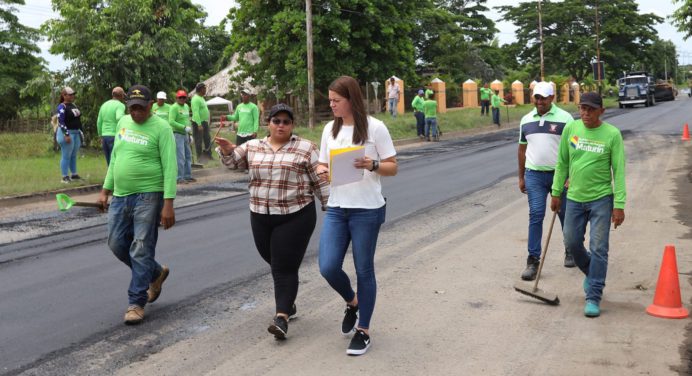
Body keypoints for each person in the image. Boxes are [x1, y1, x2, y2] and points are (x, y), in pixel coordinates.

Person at [214, 103, 329, 340]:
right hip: (260, 215)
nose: (281, 125)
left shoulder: (306, 148)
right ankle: (288, 299)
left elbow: (320, 181)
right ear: (269, 123)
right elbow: (233, 162)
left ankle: (282, 317)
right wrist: (227, 150)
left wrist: (331, 208)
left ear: (292, 125)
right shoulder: (253, 146)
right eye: (277, 121)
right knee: (274, 260)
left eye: (286, 122)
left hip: (296, 215)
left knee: (283, 266)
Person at [316, 75, 398, 356]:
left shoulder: (375, 128)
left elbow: (392, 167)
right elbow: (321, 165)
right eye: (330, 100)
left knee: (364, 269)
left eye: (336, 101)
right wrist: (323, 171)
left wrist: (372, 164)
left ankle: (363, 331)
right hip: (338, 207)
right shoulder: (330, 129)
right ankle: (353, 302)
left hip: (367, 209)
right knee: (327, 266)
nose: (332, 105)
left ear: (351, 100)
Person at [97, 84, 177, 325]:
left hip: (149, 195)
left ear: (150, 105)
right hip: (121, 195)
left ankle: (136, 302)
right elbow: (116, 160)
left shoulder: (162, 128)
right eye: (132, 108)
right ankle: (154, 273)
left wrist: (168, 203)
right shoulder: (123, 122)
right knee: (116, 243)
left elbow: (171, 166)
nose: (136, 113)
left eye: (141, 108)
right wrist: (105, 190)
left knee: (141, 247)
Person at [550, 92, 626, 318]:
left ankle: (593, 295)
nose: (585, 113)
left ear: (601, 111)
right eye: (582, 108)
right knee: (571, 242)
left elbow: (619, 171)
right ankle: (593, 274)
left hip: (601, 199)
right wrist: (555, 192)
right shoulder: (571, 129)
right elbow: (562, 161)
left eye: (591, 109)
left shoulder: (612, 134)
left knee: (599, 248)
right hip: (573, 197)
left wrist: (619, 204)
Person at [517, 81, 575, 281]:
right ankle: (532, 260)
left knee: (565, 214)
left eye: (543, 98)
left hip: (559, 175)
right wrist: (521, 176)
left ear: (552, 98)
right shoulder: (526, 120)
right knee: (536, 214)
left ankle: (571, 249)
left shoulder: (566, 119)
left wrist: (570, 175)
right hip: (534, 175)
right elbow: (522, 149)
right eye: (536, 97)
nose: (539, 101)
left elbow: (574, 149)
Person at [56, 86, 83, 183]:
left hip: (76, 133)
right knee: (66, 155)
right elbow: (61, 121)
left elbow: (77, 119)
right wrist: (66, 134)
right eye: (70, 94)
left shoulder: (73, 105)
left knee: (73, 155)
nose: (72, 96)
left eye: (73, 94)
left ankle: (74, 174)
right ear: (64, 95)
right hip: (67, 133)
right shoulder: (61, 107)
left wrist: (81, 131)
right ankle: (64, 176)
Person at [168, 90, 195, 184]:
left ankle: (188, 175)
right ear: (176, 98)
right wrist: (183, 127)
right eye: (180, 97)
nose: (182, 99)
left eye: (184, 97)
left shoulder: (187, 106)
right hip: (177, 134)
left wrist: (190, 134)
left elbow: (187, 120)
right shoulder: (174, 108)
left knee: (188, 155)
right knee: (180, 156)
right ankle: (179, 177)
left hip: (186, 134)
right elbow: (171, 121)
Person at [96, 87, 126, 166]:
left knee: (109, 160)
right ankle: (115, 177)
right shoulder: (120, 105)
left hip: (105, 136)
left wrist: (100, 135)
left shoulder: (104, 105)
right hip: (115, 135)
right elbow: (119, 118)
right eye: (123, 95)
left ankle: (110, 177)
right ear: (121, 96)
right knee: (116, 159)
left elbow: (99, 121)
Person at [191, 82, 212, 160]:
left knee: (207, 139)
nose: (205, 90)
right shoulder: (195, 99)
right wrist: (199, 124)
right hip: (198, 122)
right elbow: (195, 112)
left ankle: (209, 155)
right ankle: (199, 157)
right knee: (198, 141)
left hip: (204, 121)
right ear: (200, 89)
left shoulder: (202, 98)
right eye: (204, 88)